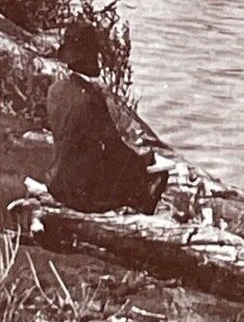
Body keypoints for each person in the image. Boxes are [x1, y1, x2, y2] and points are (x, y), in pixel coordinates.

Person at [45, 19, 167, 214]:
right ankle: (141, 212)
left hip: (57, 183)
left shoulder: (55, 90)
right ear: (89, 57)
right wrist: (142, 163)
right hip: (82, 193)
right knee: (156, 177)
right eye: (95, 55)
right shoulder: (91, 98)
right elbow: (113, 147)